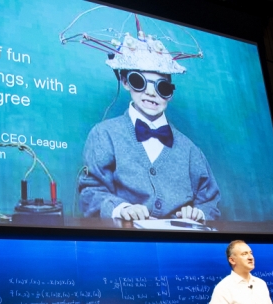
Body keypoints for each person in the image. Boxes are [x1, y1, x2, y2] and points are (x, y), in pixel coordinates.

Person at [78, 29, 221, 222]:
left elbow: (211, 202)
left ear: (171, 93)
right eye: (139, 82)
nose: (151, 93)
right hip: (126, 244)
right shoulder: (104, 135)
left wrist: (199, 213)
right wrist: (120, 208)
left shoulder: (190, 150)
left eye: (162, 87)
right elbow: (90, 192)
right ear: (125, 81)